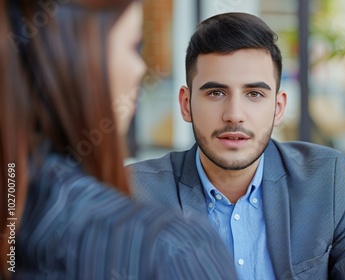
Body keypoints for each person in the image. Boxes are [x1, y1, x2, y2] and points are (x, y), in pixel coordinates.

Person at [128, 12, 345, 280]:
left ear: (278, 107)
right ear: (186, 104)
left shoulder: (327, 182)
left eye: (254, 94)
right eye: (216, 93)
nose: (234, 113)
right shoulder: (134, 195)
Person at [0, 0, 237, 279]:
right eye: (133, 46)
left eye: (255, 94)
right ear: (83, 55)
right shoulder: (170, 248)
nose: (140, 69)